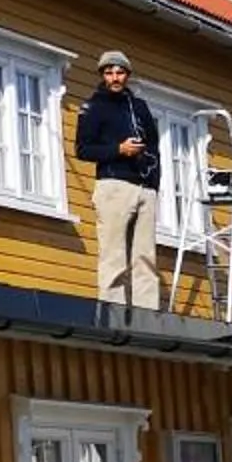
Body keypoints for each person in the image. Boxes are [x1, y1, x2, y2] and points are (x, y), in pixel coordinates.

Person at [75, 49, 162, 317]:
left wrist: (154, 185)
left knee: (145, 256)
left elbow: (155, 146)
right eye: (109, 72)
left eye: (120, 72)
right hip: (113, 185)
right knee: (113, 255)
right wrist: (118, 150)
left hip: (144, 188)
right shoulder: (93, 107)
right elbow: (83, 149)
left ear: (127, 75)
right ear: (103, 75)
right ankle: (111, 315)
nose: (115, 77)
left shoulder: (140, 107)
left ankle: (146, 316)